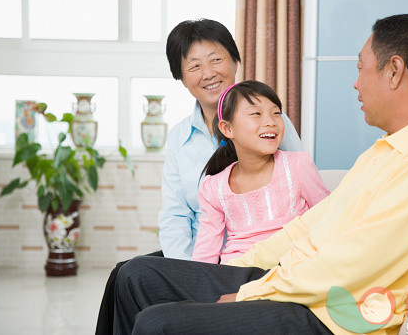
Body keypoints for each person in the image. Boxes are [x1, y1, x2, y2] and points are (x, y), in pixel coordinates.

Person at [114, 14, 408, 334]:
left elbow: (353, 266)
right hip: (292, 277)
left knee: (155, 323)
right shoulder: (389, 147)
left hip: (330, 312)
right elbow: (312, 223)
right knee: (135, 273)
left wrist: (249, 291)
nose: (356, 83)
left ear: (394, 71)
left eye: (359, 68)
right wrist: (237, 267)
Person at [95, 19, 303, 335]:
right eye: (194, 66)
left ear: (235, 61)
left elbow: (302, 192)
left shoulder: (268, 120)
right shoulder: (180, 136)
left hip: (253, 257)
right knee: (122, 274)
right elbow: (175, 214)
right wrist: (188, 270)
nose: (208, 73)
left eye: (216, 59)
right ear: (181, 77)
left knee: (133, 273)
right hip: (198, 254)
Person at [192, 80, 329, 264]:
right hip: (236, 273)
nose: (270, 122)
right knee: (142, 266)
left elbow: (330, 218)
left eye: (276, 113)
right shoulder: (213, 187)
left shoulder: (297, 165)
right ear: (227, 128)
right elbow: (205, 254)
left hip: (290, 270)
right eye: (256, 114)